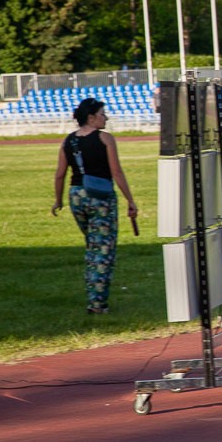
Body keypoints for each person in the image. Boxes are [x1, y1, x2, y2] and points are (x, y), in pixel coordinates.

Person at [52, 98, 137, 314]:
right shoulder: (105, 138)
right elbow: (116, 172)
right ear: (91, 118)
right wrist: (130, 200)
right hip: (101, 196)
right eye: (102, 114)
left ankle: (92, 290)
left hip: (76, 195)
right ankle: (97, 303)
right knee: (103, 249)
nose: (105, 118)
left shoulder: (68, 141)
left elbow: (60, 174)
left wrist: (58, 200)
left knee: (92, 244)